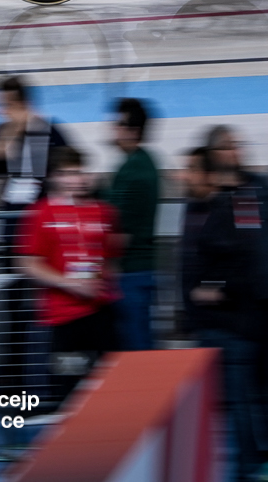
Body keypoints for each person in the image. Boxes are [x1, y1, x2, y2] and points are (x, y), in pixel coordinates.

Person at [198, 126, 268, 479]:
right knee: (246, 391)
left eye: (237, 144)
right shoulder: (215, 197)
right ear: (215, 154)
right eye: (227, 147)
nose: (235, 151)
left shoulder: (258, 187)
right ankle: (254, 458)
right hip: (239, 308)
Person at [18, 146, 119, 407]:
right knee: (69, 388)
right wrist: (70, 283)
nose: (77, 179)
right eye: (68, 173)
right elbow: (28, 263)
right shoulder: (41, 214)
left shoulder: (101, 211)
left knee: (109, 385)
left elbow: (108, 253)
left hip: (101, 311)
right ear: (55, 177)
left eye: (80, 172)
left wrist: (97, 279)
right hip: (64, 317)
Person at [102, 97, 161, 351]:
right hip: (134, 272)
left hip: (129, 274)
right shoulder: (139, 163)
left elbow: (120, 230)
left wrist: (106, 268)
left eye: (117, 124)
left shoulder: (135, 172)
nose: (112, 129)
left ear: (132, 131)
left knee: (134, 350)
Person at [0, 75, 76, 211]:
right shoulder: (0, 132)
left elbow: (68, 165)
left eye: (7, 105)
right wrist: (5, 144)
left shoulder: (51, 132)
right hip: (12, 208)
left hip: (45, 208)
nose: (0, 111)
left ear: (24, 104)